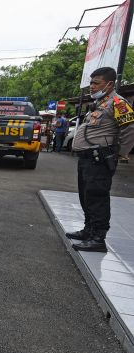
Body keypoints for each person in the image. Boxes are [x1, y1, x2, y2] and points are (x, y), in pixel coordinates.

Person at [67, 67, 134, 252]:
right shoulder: (101, 102)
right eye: (91, 82)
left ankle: (98, 238)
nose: (92, 86)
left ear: (110, 84)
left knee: (97, 198)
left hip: (100, 159)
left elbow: (129, 129)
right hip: (88, 158)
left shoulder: (118, 103)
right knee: (86, 196)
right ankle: (88, 230)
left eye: (96, 83)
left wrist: (120, 153)